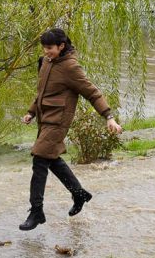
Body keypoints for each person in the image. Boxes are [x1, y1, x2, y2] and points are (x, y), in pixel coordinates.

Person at [20, 28, 123, 231]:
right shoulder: (45, 62)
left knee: (39, 159)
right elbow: (41, 92)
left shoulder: (70, 67)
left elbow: (93, 93)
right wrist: (31, 112)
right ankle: (79, 193)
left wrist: (109, 117)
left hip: (59, 121)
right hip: (44, 119)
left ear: (61, 46)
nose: (46, 51)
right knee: (51, 159)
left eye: (49, 48)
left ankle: (36, 211)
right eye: (44, 47)